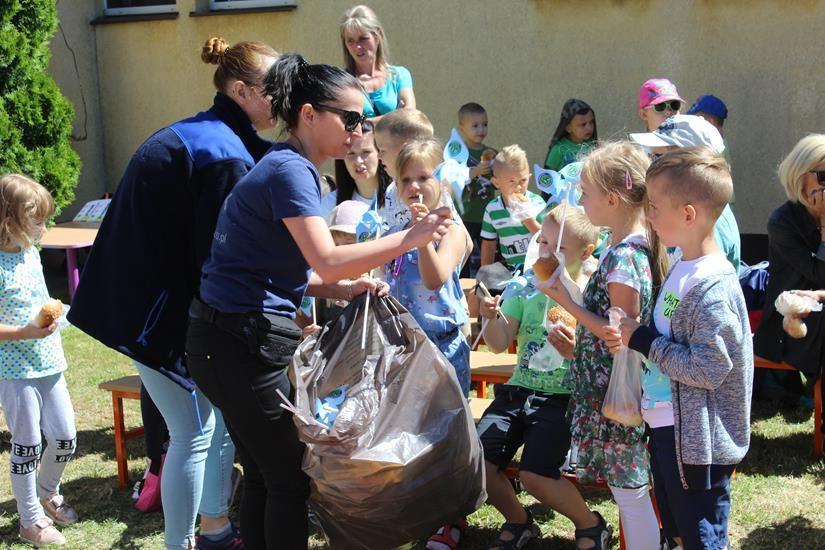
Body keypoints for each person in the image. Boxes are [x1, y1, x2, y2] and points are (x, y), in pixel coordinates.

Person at [185, 53, 453, 550]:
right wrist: (410, 238)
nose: (359, 131)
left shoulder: (290, 168)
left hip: (226, 339)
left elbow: (274, 267)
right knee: (290, 477)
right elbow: (329, 258)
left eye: (364, 120)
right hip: (237, 343)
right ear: (309, 115)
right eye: (350, 119)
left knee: (268, 474)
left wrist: (338, 288)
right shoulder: (292, 172)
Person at [68, 37, 279, 549]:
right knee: (193, 433)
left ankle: (215, 530)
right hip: (150, 311)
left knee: (219, 423)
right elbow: (220, 257)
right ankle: (181, 543)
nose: (286, 101)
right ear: (241, 90)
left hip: (157, 303)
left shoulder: (213, 136)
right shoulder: (220, 154)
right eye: (276, 90)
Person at [607, 147, 752, 550]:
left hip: (695, 442)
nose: (648, 215)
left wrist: (644, 340)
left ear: (688, 214)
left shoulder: (712, 287)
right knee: (677, 532)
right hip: (669, 427)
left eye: (654, 207)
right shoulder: (680, 264)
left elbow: (707, 368)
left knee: (700, 537)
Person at [539, 142, 666, 550]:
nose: (579, 199)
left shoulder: (626, 255)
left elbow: (618, 335)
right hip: (611, 387)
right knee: (626, 491)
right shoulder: (626, 246)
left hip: (618, 394)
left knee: (629, 494)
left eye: (586, 193)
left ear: (612, 199)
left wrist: (564, 300)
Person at [477, 207, 613, 550]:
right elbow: (496, 344)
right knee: (477, 464)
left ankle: (591, 525)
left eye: (559, 247)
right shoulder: (524, 286)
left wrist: (575, 349)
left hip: (563, 397)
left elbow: (605, 352)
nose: (547, 252)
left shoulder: (592, 291)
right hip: (519, 391)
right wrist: (490, 318)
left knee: (535, 476)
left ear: (586, 252)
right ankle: (519, 520)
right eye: (543, 242)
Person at [0, 174, 77, 547]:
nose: (43, 227)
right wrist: (23, 333)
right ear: (8, 220)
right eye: (37, 220)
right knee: (27, 443)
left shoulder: (30, 250)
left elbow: (39, 299)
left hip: (49, 360)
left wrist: (54, 315)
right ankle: (29, 519)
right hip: (15, 371)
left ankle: (47, 491)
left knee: (64, 438)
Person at [385, 138, 472, 395]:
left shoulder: (451, 231)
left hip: (441, 346)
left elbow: (435, 279)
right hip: (403, 344)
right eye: (405, 179)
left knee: (445, 427)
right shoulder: (399, 232)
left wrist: (423, 241)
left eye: (423, 177)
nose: (414, 186)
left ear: (442, 181)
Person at [755, 135, 825, 407]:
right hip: (787, 323)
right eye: (823, 176)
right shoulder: (782, 221)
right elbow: (819, 273)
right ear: (800, 176)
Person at [629, 114, 741, 272]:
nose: (650, 162)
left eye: (658, 157)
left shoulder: (712, 223)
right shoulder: (689, 215)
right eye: (651, 155)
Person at [340, 4, 415, 121]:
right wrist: (393, 117)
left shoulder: (399, 75)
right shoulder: (341, 82)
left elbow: (409, 116)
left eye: (363, 38)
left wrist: (366, 123)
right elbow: (349, 125)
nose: (357, 47)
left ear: (377, 36)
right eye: (350, 41)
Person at [480, 145, 546, 271]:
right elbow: (488, 245)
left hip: (537, 269)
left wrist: (529, 221)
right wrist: (485, 273)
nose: (518, 187)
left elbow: (548, 239)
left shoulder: (538, 204)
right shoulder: (492, 209)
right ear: (496, 183)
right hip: (510, 270)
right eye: (511, 181)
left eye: (523, 180)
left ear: (529, 177)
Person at [374, 108, 435, 231]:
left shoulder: (431, 188)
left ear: (404, 150)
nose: (378, 156)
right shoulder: (391, 190)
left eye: (382, 150)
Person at [456, 102, 497, 276]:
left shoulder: (493, 153)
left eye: (485, 124)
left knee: (488, 256)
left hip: (487, 215)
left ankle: (488, 287)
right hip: (464, 214)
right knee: (462, 254)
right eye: (475, 126)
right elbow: (454, 178)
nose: (481, 129)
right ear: (462, 128)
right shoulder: (458, 153)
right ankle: (462, 286)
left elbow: (498, 181)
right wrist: (476, 171)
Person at [321, 126, 389, 218]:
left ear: (380, 153)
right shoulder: (330, 204)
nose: (358, 161)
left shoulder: (401, 196)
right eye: (351, 153)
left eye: (366, 152)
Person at [544, 99, 598, 171]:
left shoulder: (594, 146)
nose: (589, 128)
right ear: (568, 128)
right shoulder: (558, 150)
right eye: (583, 124)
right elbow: (550, 176)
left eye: (591, 122)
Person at [688, 94, 732, 170]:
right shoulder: (718, 142)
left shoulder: (714, 146)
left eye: (696, 119)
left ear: (710, 122)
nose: (692, 123)